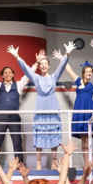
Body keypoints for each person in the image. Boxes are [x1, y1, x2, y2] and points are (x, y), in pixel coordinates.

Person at [10, 42, 75, 170]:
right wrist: (17, 56)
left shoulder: (54, 77)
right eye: (42, 64)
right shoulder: (36, 78)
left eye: (46, 64)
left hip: (52, 107)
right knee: (39, 133)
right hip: (40, 107)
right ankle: (38, 162)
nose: (44, 66)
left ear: (49, 66)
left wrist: (67, 53)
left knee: (54, 133)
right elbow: (26, 69)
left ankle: (54, 162)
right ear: (39, 66)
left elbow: (62, 66)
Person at [62, 53, 93, 169]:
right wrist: (63, 57)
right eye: (87, 71)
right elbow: (68, 68)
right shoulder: (78, 81)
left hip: (89, 110)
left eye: (90, 71)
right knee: (84, 141)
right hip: (79, 112)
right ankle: (87, 164)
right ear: (84, 72)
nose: (89, 73)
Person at [0, 56, 30, 167]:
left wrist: (36, 63)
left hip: (14, 117)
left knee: (17, 142)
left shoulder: (18, 85)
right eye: (5, 73)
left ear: (13, 74)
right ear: (3, 75)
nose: (8, 74)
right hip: (1, 117)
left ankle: (19, 165)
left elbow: (28, 74)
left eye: (10, 72)